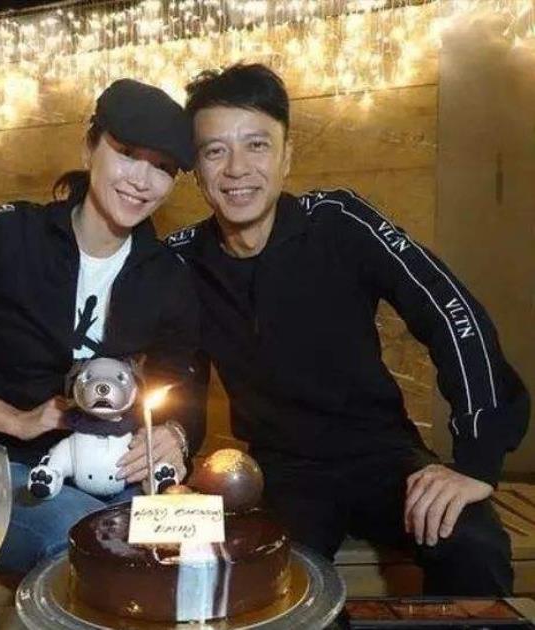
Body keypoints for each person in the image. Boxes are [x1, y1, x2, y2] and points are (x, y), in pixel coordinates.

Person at [167, 63, 530, 595]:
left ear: (287, 156)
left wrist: (477, 461)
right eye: (215, 150)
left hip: (383, 454)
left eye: (257, 145)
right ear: (196, 170)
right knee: (264, 584)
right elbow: (174, 376)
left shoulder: (340, 220)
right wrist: (175, 445)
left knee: (473, 545)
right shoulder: (180, 261)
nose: (237, 168)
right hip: (282, 473)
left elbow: (452, 313)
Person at [0, 79, 204, 574]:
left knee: (191, 551)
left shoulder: (168, 274)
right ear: (89, 146)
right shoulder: (10, 234)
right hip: (11, 473)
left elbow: (186, 390)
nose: (142, 180)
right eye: (127, 153)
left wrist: (175, 435)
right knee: (98, 545)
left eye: (162, 167)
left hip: (119, 477)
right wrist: (13, 419)